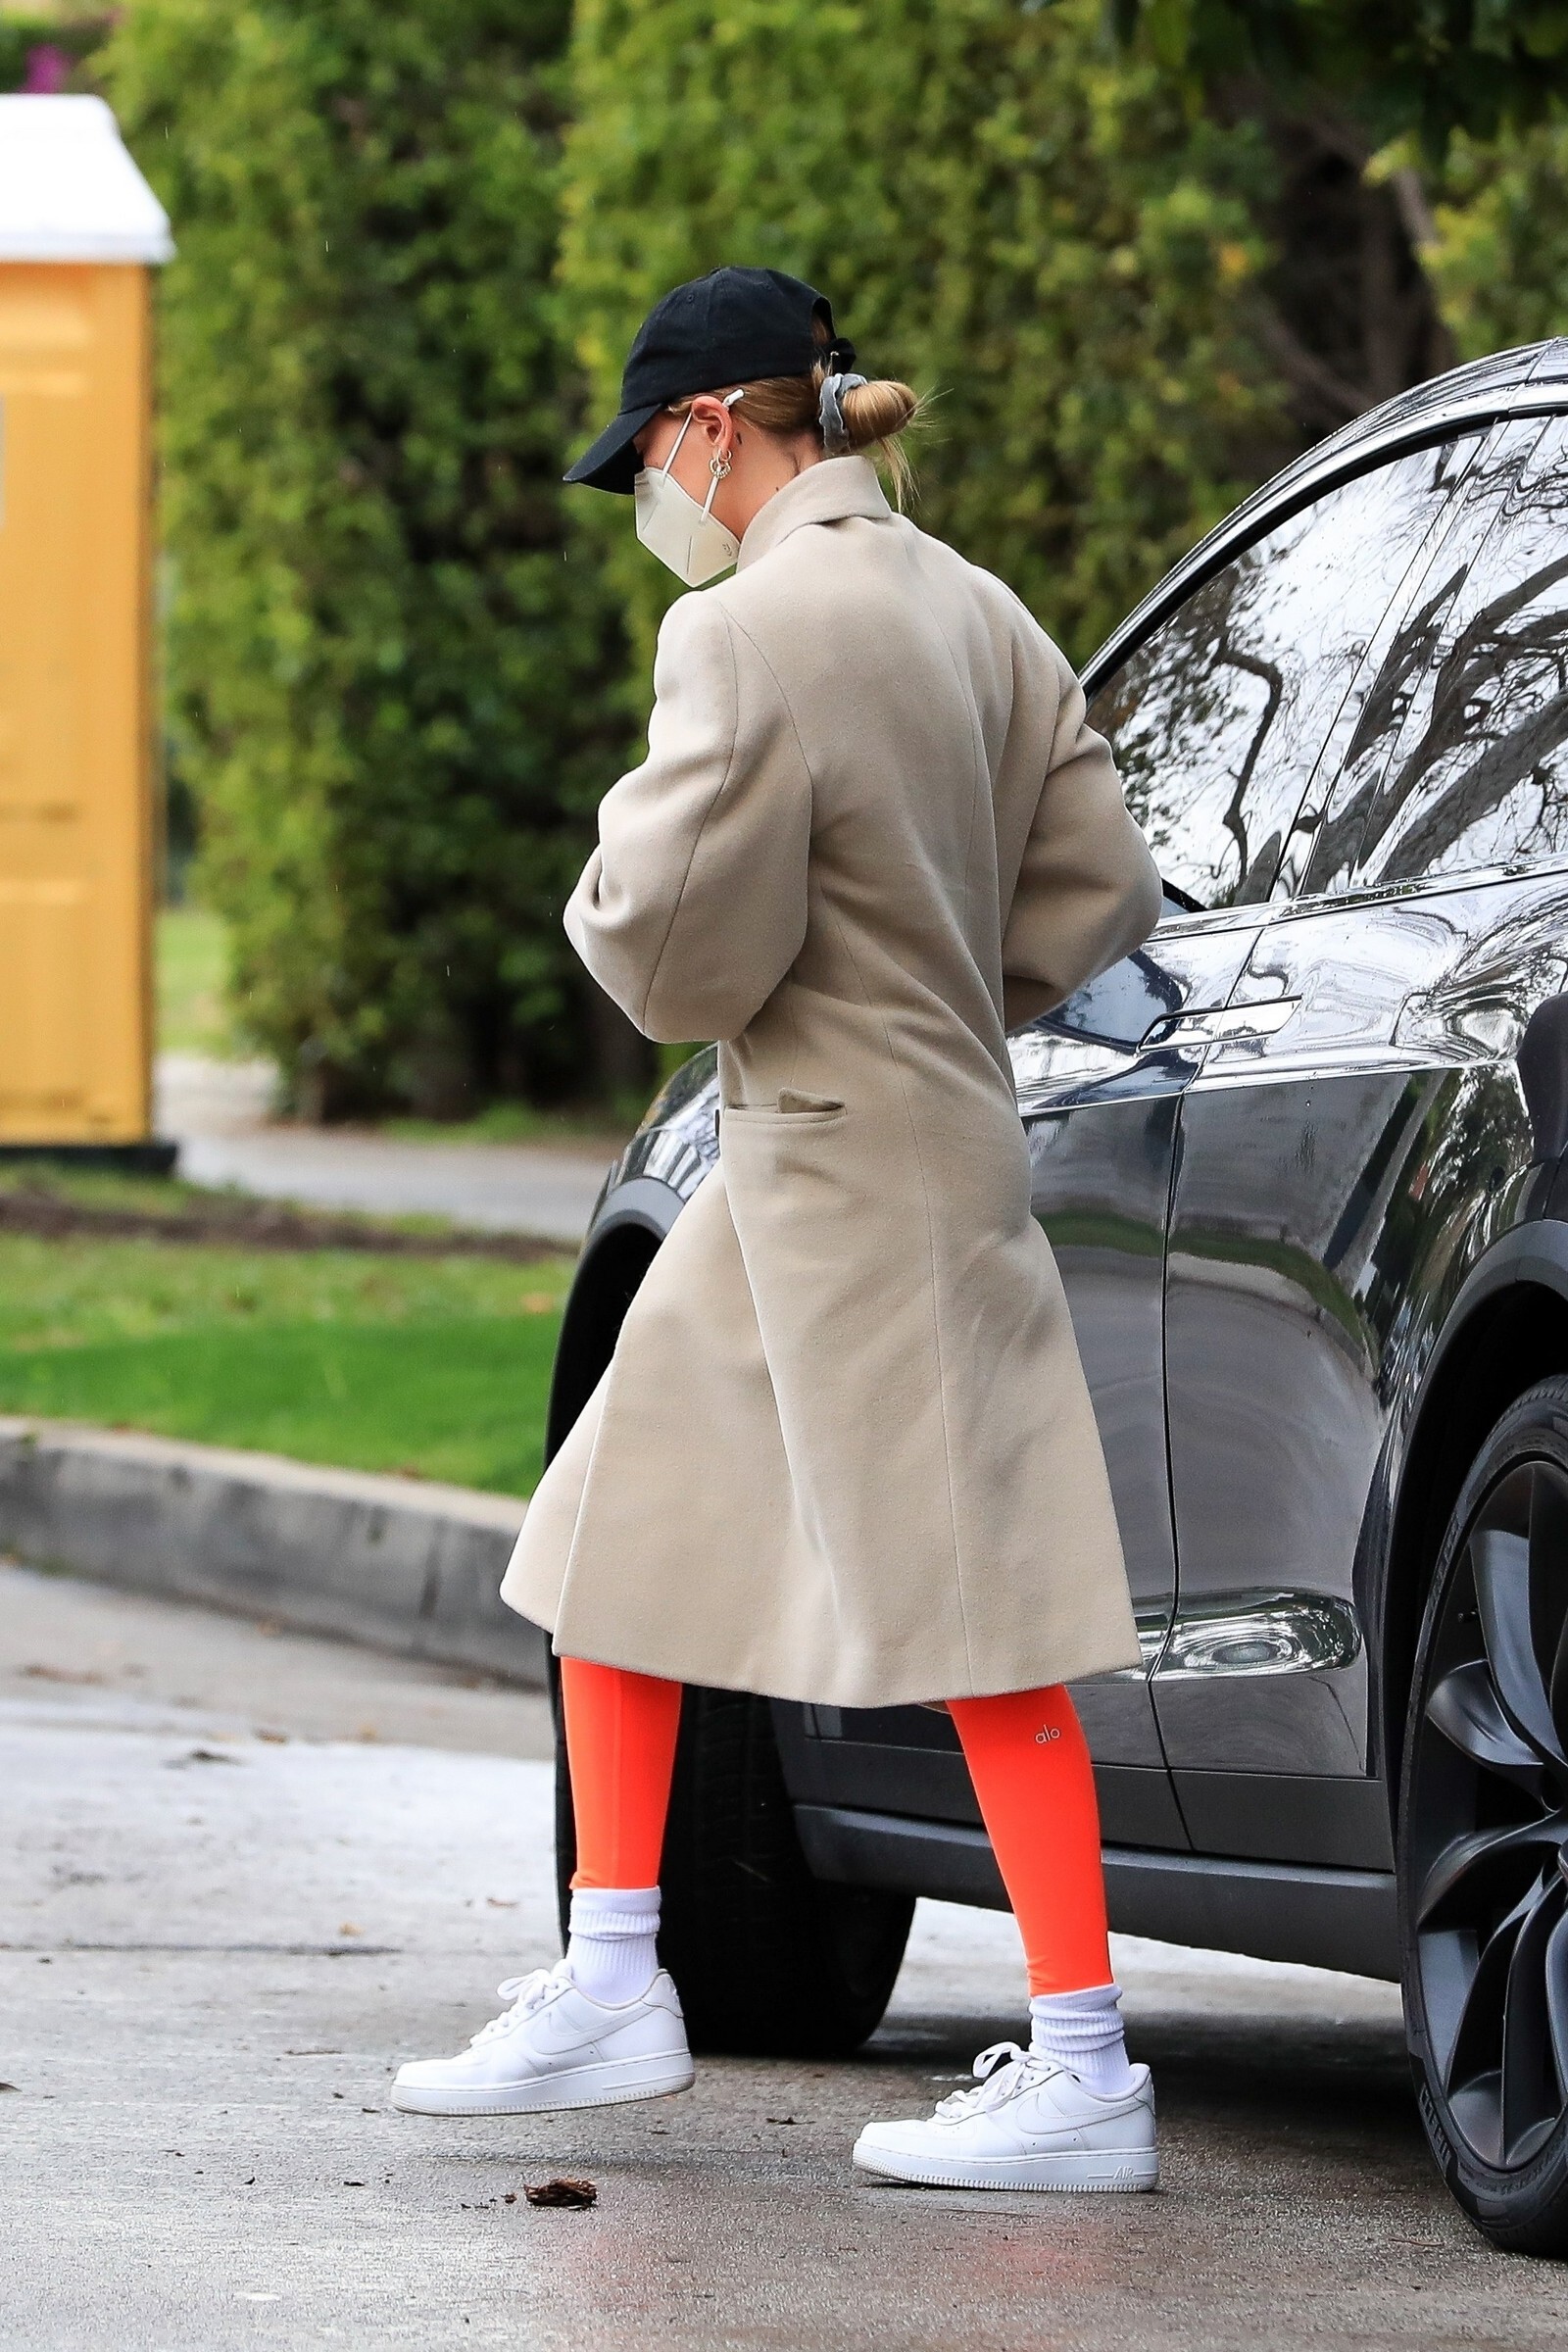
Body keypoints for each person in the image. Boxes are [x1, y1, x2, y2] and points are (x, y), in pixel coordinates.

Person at [392, 267, 1164, 2192]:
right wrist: (936, 985)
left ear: (707, 429)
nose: (649, 500)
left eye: (645, 461)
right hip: (860, 1152)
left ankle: (1084, 2068)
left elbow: (668, 955)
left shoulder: (740, 630)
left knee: (983, 1606)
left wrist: (649, 904)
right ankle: (611, 1977)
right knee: (612, 1541)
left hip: (847, 1171)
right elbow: (1098, 886)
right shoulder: (978, 610)